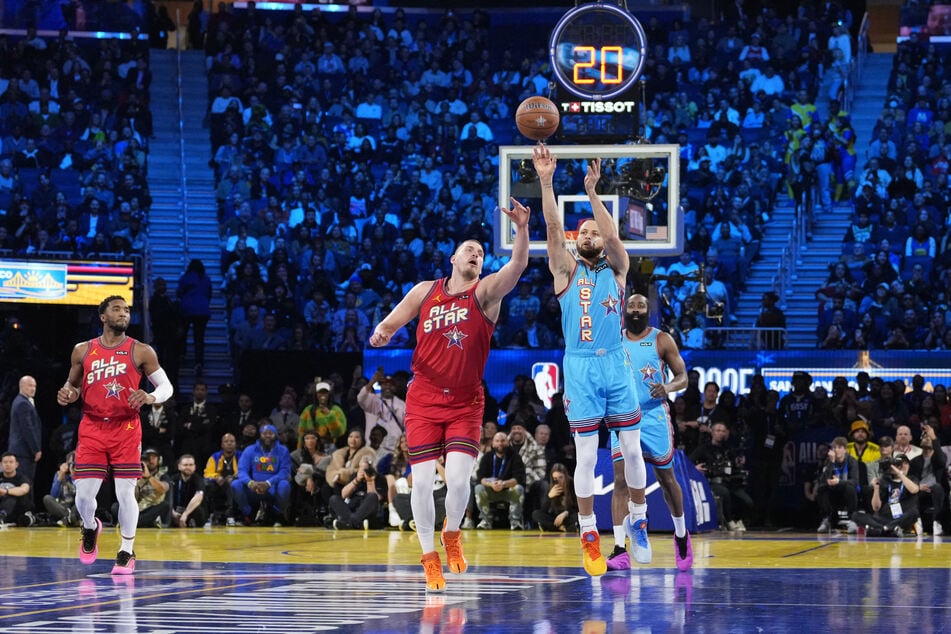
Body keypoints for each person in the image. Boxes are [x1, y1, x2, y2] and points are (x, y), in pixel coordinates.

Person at [368, 192, 530, 591]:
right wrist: (383, 331)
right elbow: (393, 321)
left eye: (479, 252)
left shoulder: (486, 293)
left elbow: (518, 265)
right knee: (421, 483)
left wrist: (522, 230)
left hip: (465, 401)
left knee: (458, 481)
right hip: (423, 397)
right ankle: (428, 557)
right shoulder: (427, 290)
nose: (475, 255)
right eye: (468, 251)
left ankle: (452, 533)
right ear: (453, 260)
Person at [533, 144, 646, 576]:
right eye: (584, 233)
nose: (590, 236)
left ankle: (636, 520)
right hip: (579, 366)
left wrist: (593, 193)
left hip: (616, 362)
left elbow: (615, 237)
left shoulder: (617, 268)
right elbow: (552, 223)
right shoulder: (564, 269)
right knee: (584, 455)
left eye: (593, 232)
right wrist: (546, 181)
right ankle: (587, 532)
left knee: (631, 449)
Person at [56, 295, 174, 575]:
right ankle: (89, 526)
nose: (124, 314)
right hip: (93, 426)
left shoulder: (142, 351)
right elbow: (71, 386)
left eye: (127, 310)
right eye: (117, 309)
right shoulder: (82, 350)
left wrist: (150, 395)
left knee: (125, 493)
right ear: (103, 316)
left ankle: (126, 550)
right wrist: (67, 393)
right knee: (83, 498)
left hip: (126, 427)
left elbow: (167, 387)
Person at [608, 294, 692, 572]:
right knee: (621, 481)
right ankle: (620, 548)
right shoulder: (612, 339)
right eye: (631, 305)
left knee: (667, 478)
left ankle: (680, 534)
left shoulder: (662, 339)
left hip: (654, 417)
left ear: (648, 311)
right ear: (624, 310)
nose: (634, 310)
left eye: (640, 306)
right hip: (622, 417)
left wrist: (667, 388)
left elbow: (683, 377)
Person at [232, 424, 291, 526]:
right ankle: (249, 514)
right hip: (254, 487)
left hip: (273, 487)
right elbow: (242, 470)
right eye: (264, 434)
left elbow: (284, 471)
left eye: (270, 433)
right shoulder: (250, 450)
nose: (267, 436)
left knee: (284, 484)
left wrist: (268, 483)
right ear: (260, 435)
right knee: (235, 484)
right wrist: (250, 483)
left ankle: (276, 515)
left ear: (275, 435)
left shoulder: (283, 450)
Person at [851, 453, 920, 537]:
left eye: (906, 463)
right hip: (885, 517)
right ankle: (889, 529)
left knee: (914, 512)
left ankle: (881, 529)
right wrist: (876, 488)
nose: (903, 466)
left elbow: (914, 490)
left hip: (903, 516)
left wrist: (900, 474)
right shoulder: (885, 481)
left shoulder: (912, 479)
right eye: (900, 464)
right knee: (856, 516)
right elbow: (876, 508)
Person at [473, 431, 526, 530]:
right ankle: (486, 520)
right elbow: (481, 478)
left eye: (503, 441)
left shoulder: (515, 457)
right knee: (479, 488)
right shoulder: (487, 457)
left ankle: (515, 521)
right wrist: (491, 484)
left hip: (508, 490)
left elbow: (518, 478)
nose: (500, 443)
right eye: (497, 441)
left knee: (519, 488)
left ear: (508, 442)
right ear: (493, 443)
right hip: (491, 490)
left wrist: (504, 484)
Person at [815, 437, 860, 532]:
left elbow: (854, 481)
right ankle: (826, 520)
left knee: (850, 487)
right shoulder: (829, 461)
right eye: (834, 447)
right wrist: (831, 463)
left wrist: (839, 482)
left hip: (847, 492)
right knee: (822, 489)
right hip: (834, 492)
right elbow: (822, 481)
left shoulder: (852, 461)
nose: (837, 450)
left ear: (845, 450)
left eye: (840, 447)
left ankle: (853, 520)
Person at [176, 259, 212, 375]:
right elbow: (209, 294)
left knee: (183, 334)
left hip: (186, 308)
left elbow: (179, 293)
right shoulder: (206, 278)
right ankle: (199, 362)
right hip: (203, 310)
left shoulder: (185, 278)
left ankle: (182, 355)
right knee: (199, 338)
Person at [357, 370, 405, 455]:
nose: (388, 387)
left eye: (391, 385)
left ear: (395, 388)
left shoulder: (402, 405)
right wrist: (372, 381)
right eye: (385, 384)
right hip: (372, 449)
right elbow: (360, 398)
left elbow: (406, 427)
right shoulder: (372, 400)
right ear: (380, 386)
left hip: (393, 449)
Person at [8, 375, 41, 482]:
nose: (33, 389)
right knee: (25, 483)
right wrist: (35, 449)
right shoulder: (23, 403)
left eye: (34, 386)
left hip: (21, 451)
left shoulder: (20, 401)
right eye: (30, 386)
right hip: (24, 452)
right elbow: (28, 429)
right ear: (21, 386)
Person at [298, 380, 347, 452]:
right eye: (320, 392)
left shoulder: (336, 410)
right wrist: (300, 449)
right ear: (316, 394)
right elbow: (301, 432)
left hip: (329, 447)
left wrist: (330, 415)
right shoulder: (308, 410)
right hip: (311, 447)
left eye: (325, 392)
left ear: (329, 394)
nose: (322, 395)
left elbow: (339, 432)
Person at [203, 433, 241, 525]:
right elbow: (207, 473)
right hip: (218, 483)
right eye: (226, 441)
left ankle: (230, 515)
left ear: (235, 443)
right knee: (206, 484)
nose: (229, 443)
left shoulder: (241, 455)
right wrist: (216, 477)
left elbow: (245, 470)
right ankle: (210, 514)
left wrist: (234, 477)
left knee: (233, 484)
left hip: (234, 482)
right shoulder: (215, 456)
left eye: (232, 441)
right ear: (222, 444)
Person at [532, 463, 578, 532]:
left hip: (568, 516)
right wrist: (549, 497)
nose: (558, 481)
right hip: (555, 517)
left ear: (565, 476)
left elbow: (578, 507)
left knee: (578, 516)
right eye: (555, 478)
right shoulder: (551, 487)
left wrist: (566, 513)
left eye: (560, 477)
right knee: (535, 514)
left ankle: (553, 528)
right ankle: (564, 528)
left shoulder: (572, 484)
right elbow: (543, 510)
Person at [168, 454, 207, 528]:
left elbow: (198, 497)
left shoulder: (198, 480)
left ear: (194, 467)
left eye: (191, 465)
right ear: (179, 466)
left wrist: (185, 514)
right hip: (175, 513)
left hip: (190, 513)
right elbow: (166, 497)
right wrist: (172, 513)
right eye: (185, 465)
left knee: (198, 509)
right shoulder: (172, 479)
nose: (188, 467)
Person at [44, 451, 78, 526]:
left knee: (84, 500)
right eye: (71, 464)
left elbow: (81, 496)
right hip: (62, 506)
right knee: (47, 498)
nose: (73, 466)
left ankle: (67, 519)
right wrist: (60, 476)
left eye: (75, 464)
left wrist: (74, 477)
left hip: (75, 506)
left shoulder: (83, 476)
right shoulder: (59, 474)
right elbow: (53, 495)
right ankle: (70, 517)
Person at [0, 453, 33, 526]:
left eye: (11, 462)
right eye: (5, 462)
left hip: (17, 508)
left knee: (12, 497)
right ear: (1, 464)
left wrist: (6, 491)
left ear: (16, 464)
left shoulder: (22, 478)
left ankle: (1, 517)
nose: (8, 464)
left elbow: (24, 489)